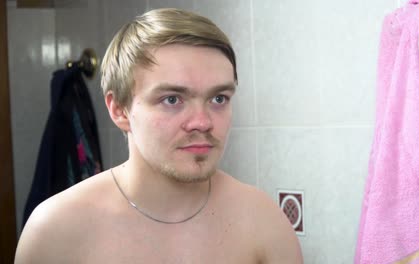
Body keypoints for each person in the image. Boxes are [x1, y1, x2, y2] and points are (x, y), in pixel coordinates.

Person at [15, 8, 303, 264]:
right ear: (120, 110)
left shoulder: (263, 220)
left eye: (218, 98)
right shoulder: (56, 229)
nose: (202, 122)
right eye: (172, 99)